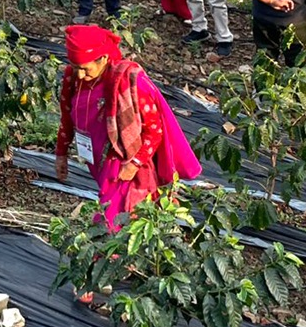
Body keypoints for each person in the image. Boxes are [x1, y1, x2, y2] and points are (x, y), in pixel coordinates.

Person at [53, 25, 201, 230]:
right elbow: (66, 115)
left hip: (123, 162)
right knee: (130, 219)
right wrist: (61, 153)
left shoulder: (127, 81)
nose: (79, 74)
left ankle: (110, 259)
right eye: (75, 66)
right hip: (96, 160)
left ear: (103, 58)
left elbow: (154, 129)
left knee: (112, 222)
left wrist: (134, 164)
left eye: (85, 69)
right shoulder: (73, 78)